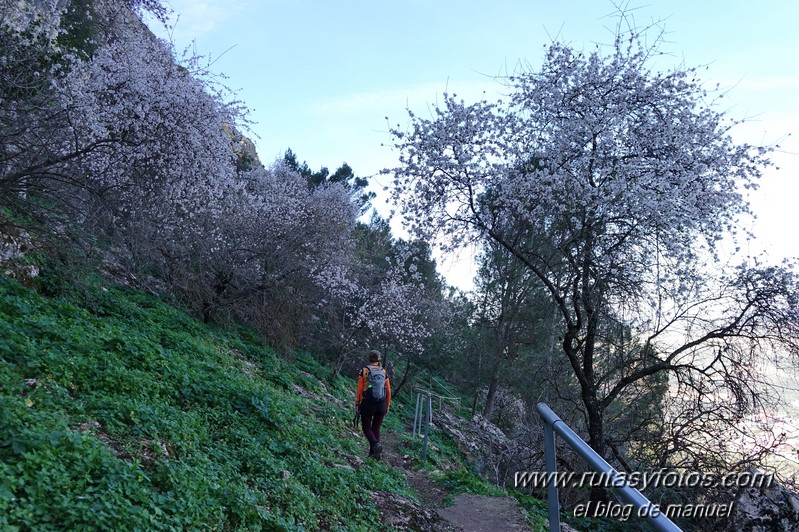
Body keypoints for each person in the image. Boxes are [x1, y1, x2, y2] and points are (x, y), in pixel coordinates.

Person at [355, 349, 391, 460]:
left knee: (366, 428)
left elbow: (360, 390)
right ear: (379, 359)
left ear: (369, 359)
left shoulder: (364, 371)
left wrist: (357, 403)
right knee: (376, 428)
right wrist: (387, 405)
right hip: (381, 404)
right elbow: (388, 391)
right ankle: (375, 456)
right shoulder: (384, 372)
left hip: (368, 403)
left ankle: (375, 445)